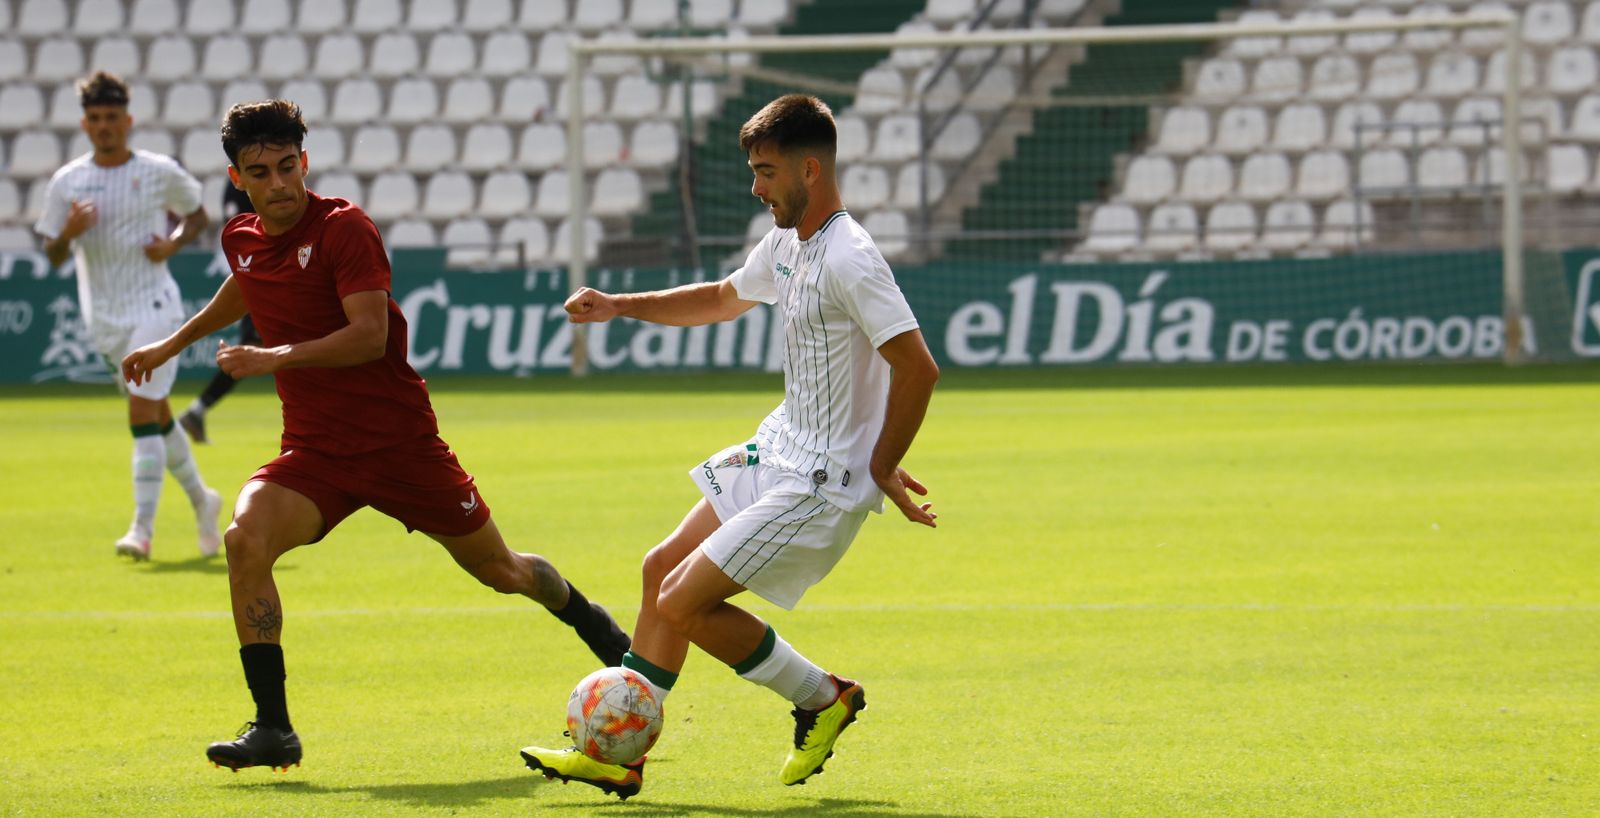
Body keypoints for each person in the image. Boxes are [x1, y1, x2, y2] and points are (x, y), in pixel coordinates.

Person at [121, 99, 631, 773]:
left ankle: (605, 635)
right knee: (246, 542)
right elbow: (245, 285)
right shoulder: (241, 236)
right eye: (260, 172)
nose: (278, 184)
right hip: (315, 453)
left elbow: (370, 337)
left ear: (304, 162)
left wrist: (273, 358)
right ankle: (273, 727)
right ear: (237, 177)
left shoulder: (344, 229)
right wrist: (172, 341)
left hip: (400, 448)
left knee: (504, 572)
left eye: (286, 166)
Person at [520, 94, 940, 800]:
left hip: (821, 483)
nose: (756, 187)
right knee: (660, 570)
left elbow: (918, 366)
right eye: (752, 171)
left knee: (684, 601)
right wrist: (622, 306)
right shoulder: (784, 243)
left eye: (767, 172)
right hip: (778, 447)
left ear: (811, 169)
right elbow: (719, 297)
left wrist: (876, 463)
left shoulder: (852, 258)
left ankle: (822, 697)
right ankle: (622, 756)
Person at [34, 70, 221, 562]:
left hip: (154, 307)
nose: (104, 126)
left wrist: (173, 244)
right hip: (106, 318)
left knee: (140, 411)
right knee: (156, 414)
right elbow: (52, 255)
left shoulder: (158, 170)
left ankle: (141, 529)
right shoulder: (68, 182)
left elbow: (199, 214)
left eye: (112, 117)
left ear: (128, 120)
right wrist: (70, 231)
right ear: (84, 124)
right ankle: (204, 501)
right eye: (95, 118)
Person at [177, 182, 261, 444]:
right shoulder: (239, 185)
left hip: (263, 273)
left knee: (265, 345)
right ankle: (197, 410)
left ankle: (197, 411)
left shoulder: (242, 181)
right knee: (256, 346)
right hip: (259, 275)